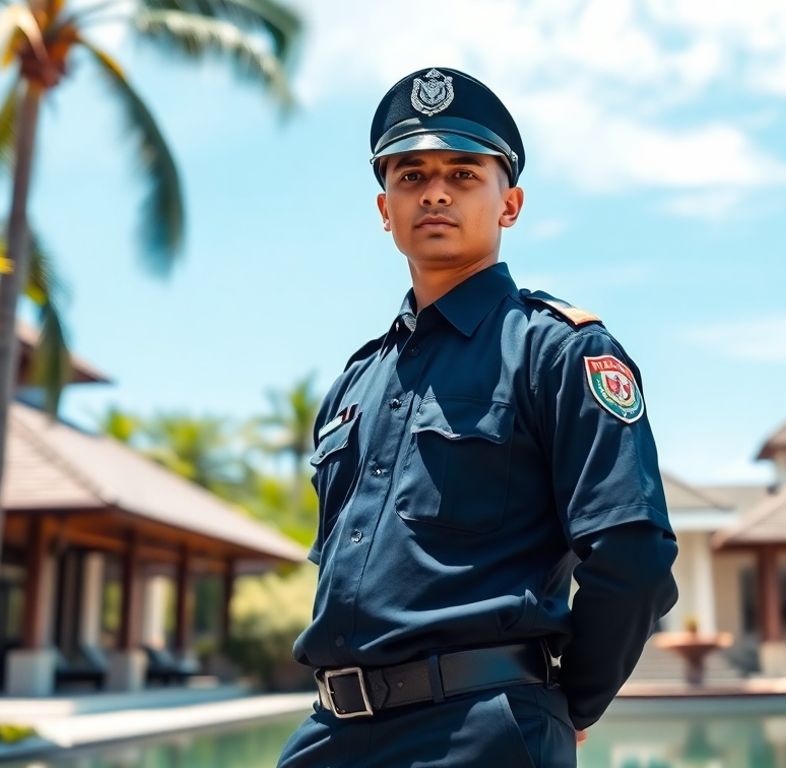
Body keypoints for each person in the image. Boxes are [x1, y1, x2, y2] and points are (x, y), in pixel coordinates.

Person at [276, 66, 678, 768]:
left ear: (509, 204)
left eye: (463, 174)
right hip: (331, 734)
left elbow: (634, 560)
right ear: (384, 208)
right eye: (410, 175)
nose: (434, 191)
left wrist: (568, 705)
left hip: (479, 733)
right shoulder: (355, 384)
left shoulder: (559, 351)